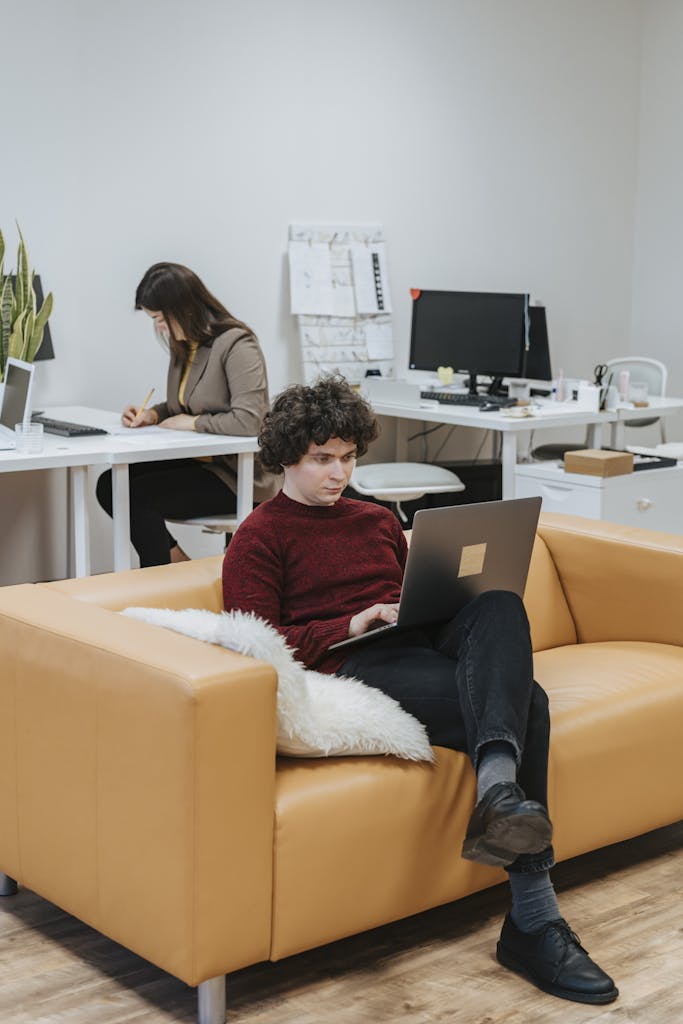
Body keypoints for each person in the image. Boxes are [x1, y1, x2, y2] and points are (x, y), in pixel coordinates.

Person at [221, 374, 619, 1006]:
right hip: (356, 665)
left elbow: (421, 600)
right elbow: (255, 642)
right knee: (531, 706)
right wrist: (353, 622)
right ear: (286, 456)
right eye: (323, 458)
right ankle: (534, 920)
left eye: (348, 457)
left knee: (496, 601)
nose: (338, 473)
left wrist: (420, 605)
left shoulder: (377, 520)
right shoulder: (258, 536)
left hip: (421, 647)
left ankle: (498, 797)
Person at [96, 262, 274, 567]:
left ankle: (161, 576)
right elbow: (186, 405)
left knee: (137, 494)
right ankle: (175, 563)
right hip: (202, 463)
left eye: (159, 319)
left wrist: (192, 424)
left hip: (237, 476)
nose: (158, 328)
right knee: (110, 484)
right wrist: (152, 413)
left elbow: (250, 421)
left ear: (183, 308)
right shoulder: (186, 345)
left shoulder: (237, 343)